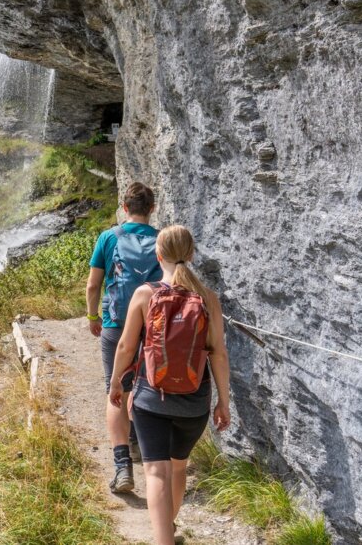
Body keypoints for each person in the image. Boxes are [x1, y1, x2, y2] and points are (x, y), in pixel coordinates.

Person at [108, 225, 232, 545]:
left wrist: (116, 383)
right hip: (194, 401)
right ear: (191, 255)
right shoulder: (208, 299)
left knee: (155, 473)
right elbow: (218, 354)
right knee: (178, 470)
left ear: (157, 254)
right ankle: (169, 528)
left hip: (152, 398)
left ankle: (163, 539)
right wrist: (223, 402)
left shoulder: (145, 294)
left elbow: (124, 347)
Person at [86, 182, 161, 493]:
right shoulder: (162, 240)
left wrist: (93, 317)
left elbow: (93, 285)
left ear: (124, 207)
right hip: (155, 324)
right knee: (149, 383)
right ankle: (141, 443)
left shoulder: (108, 237)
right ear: (152, 208)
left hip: (116, 323)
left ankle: (122, 468)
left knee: (116, 389)